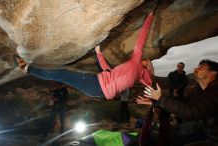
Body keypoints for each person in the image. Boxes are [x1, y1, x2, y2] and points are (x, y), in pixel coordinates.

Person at [15, 11, 155, 100]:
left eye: (147, 61)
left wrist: (149, 17)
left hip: (96, 85)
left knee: (60, 74)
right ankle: (28, 69)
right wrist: (99, 54)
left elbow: (141, 40)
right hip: (98, 90)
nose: (145, 59)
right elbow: (109, 72)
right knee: (61, 75)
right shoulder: (136, 76)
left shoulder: (137, 64)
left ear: (147, 66)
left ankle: (28, 69)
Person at [137, 59, 218, 146]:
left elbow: (191, 111)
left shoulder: (215, 91)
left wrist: (161, 98)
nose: (195, 69)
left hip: (214, 138)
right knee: (176, 138)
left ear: (214, 73)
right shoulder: (198, 90)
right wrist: (155, 102)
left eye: (201, 67)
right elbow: (183, 101)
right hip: (206, 129)